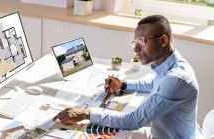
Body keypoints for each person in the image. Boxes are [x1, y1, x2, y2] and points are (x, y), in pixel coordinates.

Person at [53, 15, 199, 139]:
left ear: (163, 41)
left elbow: (133, 120)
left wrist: (85, 113)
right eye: (135, 42)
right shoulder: (173, 63)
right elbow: (153, 83)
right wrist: (123, 85)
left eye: (142, 41)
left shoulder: (176, 79)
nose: (135, 48)